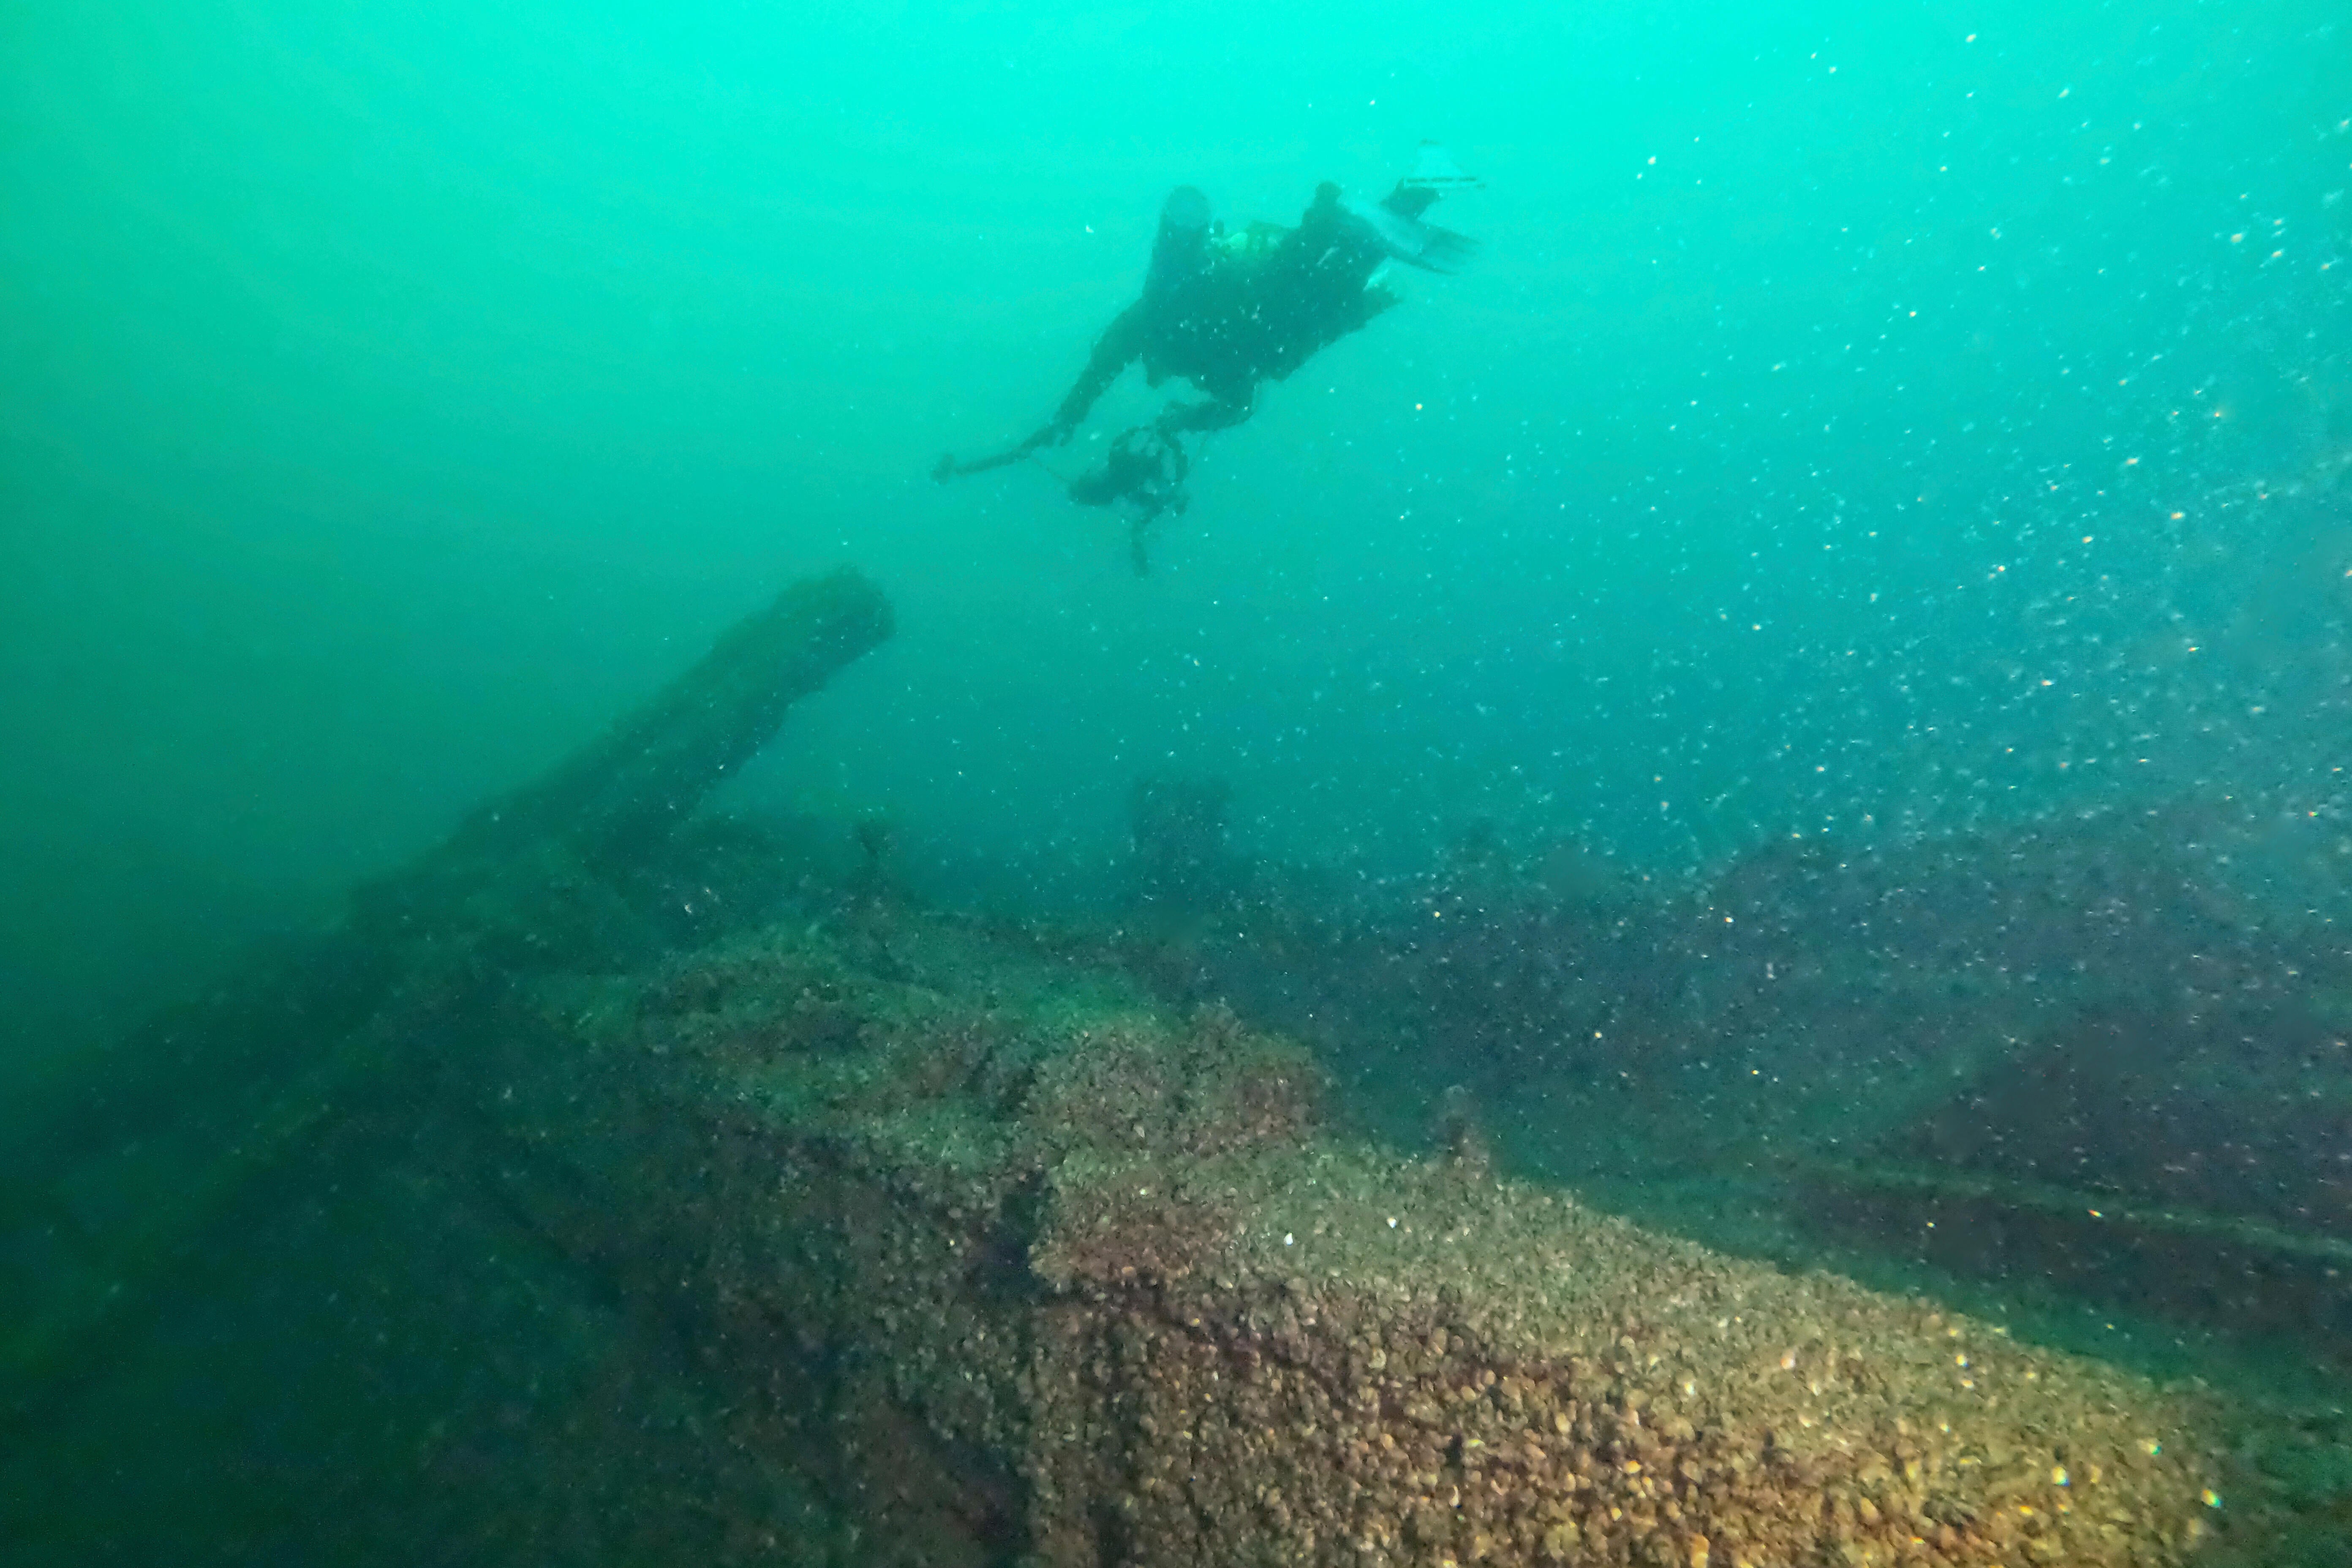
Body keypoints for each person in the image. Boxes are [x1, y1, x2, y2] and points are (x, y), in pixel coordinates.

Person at [936, 143, 1479, 570]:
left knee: (1320, 294)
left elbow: (1107, 372)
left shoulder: (1158, 335)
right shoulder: (1158, 330)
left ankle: (1358, 213)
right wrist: (1084, 418)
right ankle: (1406, 191)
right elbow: (1106, 371)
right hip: (1246, 304)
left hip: (1247, 313)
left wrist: (1074, 420)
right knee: (1311, 292)